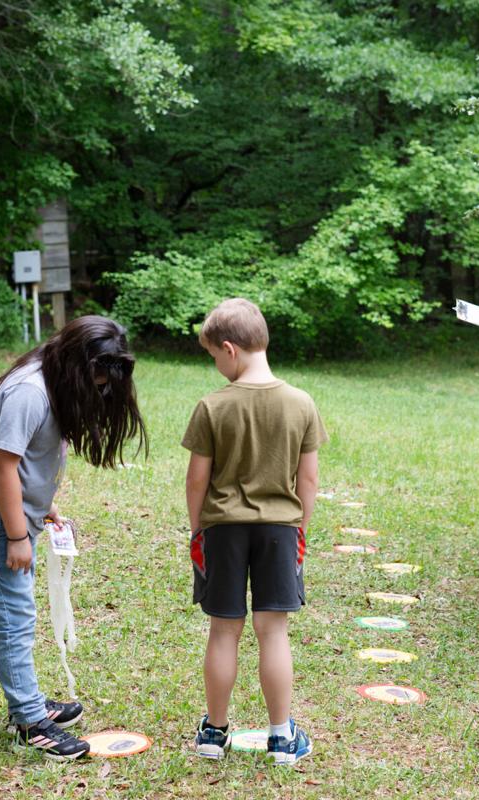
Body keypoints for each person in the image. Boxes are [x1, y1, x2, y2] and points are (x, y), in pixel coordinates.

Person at [0, 315, 147, 762]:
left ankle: (31, 702)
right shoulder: (29, 391)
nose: (98, 390)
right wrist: (18, 533)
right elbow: (3, 466)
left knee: (18, 611)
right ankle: (29, 721)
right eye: (96, 379)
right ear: (79, 361)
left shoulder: (52, 377)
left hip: (9, 514)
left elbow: (26, 463)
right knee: (14, 616)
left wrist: (41, 505)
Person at [183, 298, 327, 765]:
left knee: (224, 631)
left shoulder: (212, 406)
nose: (215, 365)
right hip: (280, 530)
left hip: (222, 530)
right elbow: (308, 480)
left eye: (213, 356)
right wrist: (300, 527)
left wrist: (197, 529)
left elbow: (196, 480)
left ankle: (214, 733)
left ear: (230, 349)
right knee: (273, 630)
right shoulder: (301, 403)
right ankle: (282, 737)